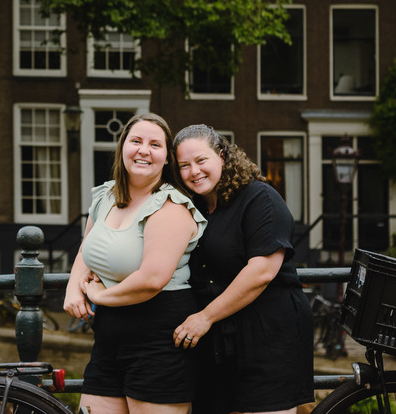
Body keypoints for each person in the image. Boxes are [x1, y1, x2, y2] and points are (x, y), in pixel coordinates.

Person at [64, 113, 208, 414]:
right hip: (108, 337)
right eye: (137, 141)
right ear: (123, 148)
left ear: (166, 158)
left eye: (155, 144)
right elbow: (86, 248)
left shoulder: (170, 207)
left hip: (159, 338)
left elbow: (152, 279)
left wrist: (98, 296)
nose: (144, 150)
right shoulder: (105, 196)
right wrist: (72, 289)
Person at [170, 125, 313, 414]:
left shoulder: (260, 199)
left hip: (269, 335)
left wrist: (205, 317)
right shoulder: (192, 207)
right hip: (219, 342)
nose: (193, 171)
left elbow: (261, 271)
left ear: (221, 156)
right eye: (184, 165)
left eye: (201, 160)